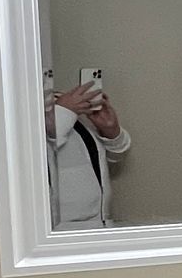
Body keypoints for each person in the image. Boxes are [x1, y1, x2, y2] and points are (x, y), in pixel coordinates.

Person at [45, 78, 131, 228]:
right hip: (62, 234)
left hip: (101, 226)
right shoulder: (21, 113)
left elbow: (109, 161)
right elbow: (36, 158)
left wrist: (111, 132)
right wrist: (64, 112)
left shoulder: (66, 104)